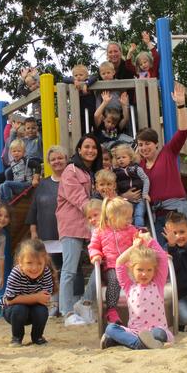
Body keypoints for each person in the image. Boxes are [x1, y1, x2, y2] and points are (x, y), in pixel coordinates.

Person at [137, 82, 187, 246]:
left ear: (156, 144)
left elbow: (183, 131)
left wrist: (181, 105)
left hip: (178, 211)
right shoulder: (140, 166)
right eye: (140, 145)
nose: (144, 147)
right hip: (158, 215)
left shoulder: (167, 152)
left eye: (147, 143)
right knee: (162, 254)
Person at [100, 231, 173, 350]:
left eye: (149, 270)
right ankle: (138, 343)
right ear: (132, 269)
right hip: (135, 332)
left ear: (154, 271)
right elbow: (119, 262)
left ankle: (129, 343)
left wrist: (149, 240)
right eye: (140, 269)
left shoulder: (158, 284)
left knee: (159, 334)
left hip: (156, 329)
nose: (144, 274)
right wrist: (134, 247)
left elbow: (163, 259)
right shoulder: (129, 286)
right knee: (110, 328)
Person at [56, 133, 102, 316]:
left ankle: (84, 302)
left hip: (90, 222)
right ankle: (66, 310)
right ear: (79, 150)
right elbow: (78, 198)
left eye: (94, 147)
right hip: (72, 224)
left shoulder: (93, 173)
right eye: (87, 147)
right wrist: (98, 213)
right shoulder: (71, 170)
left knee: (101, 262)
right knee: (69, 269)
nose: (90, 150)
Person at [26, 145, 69, 315]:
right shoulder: (42, 184)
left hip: (68, 233)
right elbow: (34, 209)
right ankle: (54, 303)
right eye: (53, 159)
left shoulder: (72, 181)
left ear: (66, 159)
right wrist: (33, 231)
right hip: (47, 234)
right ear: (49, 163)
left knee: (70, 270)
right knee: (51, 271)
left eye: (60, 158)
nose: (57, 161)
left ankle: (69, 303)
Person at [89, 197, 139, 325]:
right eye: (127, 218)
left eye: (131, 217)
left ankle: (141, 308)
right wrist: (96, 256)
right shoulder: (100, 231)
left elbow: (142, 243)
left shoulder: (132, 230)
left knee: (141, 277)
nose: (130, 220)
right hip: (111, 266)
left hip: (130, 266)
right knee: (114, 280)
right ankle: (111, 311)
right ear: (113, 217)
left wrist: (156, 251)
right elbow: (93, 247)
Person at [1, 239, 55, 346]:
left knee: (42, 311)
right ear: (20, 262)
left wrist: (37, 299)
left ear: (45, 261)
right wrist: (36, 297)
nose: (34, 268)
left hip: (33, 309)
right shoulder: (15, 273)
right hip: (12, 310)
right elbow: (10, 300)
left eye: (39, 263)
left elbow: (45, 298)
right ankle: (16, 338)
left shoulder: (46, 272)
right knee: (19, 308)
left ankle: (37, 337)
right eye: (29, 263)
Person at [112, 144, 150, 228]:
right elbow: (114, 186)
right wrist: (120, 197)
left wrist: (145, 194)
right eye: (118, 158)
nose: (121, 160)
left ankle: (139, 229)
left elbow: (145, 179)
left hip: (140, 199)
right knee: (127, 215)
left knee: (139, 214)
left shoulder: (136, 169)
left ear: (130, 158)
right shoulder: (116, 172)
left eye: (123, 157)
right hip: (126, 200)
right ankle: (129, 230)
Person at [64, 64, 98, 133]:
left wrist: (86, 84)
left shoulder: (89, 81)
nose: (78, 77)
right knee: (81, 130)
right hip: (79, 112)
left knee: (93, 128)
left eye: (81, 75)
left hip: (91, 111)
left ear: (86, 75)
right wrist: (73, 81)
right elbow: (64, 79)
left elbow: (95, 77)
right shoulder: (74, 83)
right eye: (76, 75)